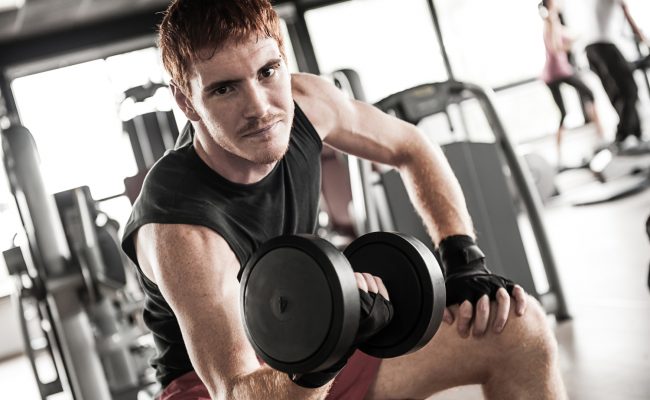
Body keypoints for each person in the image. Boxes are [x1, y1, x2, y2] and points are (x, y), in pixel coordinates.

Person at [121, 1, 567, 399]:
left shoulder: (308, 102)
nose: (259, 107)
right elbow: (236, 389)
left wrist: (462, 255)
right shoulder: (178, 227)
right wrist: (328, 349)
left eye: (267, 71)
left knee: (518, 332)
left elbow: (413, 148)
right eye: (224, 89)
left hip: (312, 346)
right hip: (223, 387)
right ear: (188, 103)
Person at [539, 0, 605, 167]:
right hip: (559, 72)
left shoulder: (551, 21)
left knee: (563, 113)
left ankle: (560, 154)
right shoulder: (551, 20)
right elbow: (555, 47)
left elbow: (564, 40)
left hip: (553, 73)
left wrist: (576, 37)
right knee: (589, 94)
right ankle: (601, 136)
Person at [581, 0, 649, 146]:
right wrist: (645, 41)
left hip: (591, 49)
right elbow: (628, 16)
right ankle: (624, 134)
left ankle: (631, 135)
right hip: (603, 45)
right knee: (630, 90)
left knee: (619, 93)